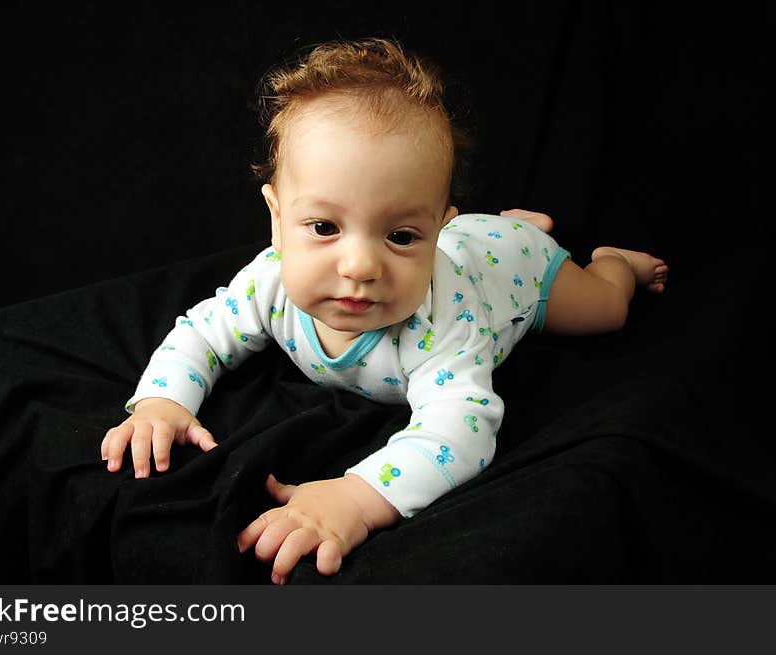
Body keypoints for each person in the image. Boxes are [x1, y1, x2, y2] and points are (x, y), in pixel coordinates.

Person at [100, 37, 668, 585]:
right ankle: (505, 222)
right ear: (276, 217)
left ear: (435, 228)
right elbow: (201, 332)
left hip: (518, 274)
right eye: (324, 228)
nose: (360, 266)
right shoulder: (268, 280)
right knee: (479, 234)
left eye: (400, 235)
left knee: (607, 311)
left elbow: (461, 430)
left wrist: (357, 497)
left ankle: (604, 258)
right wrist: (163, 401)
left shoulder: (444, 321)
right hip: (472, 236)